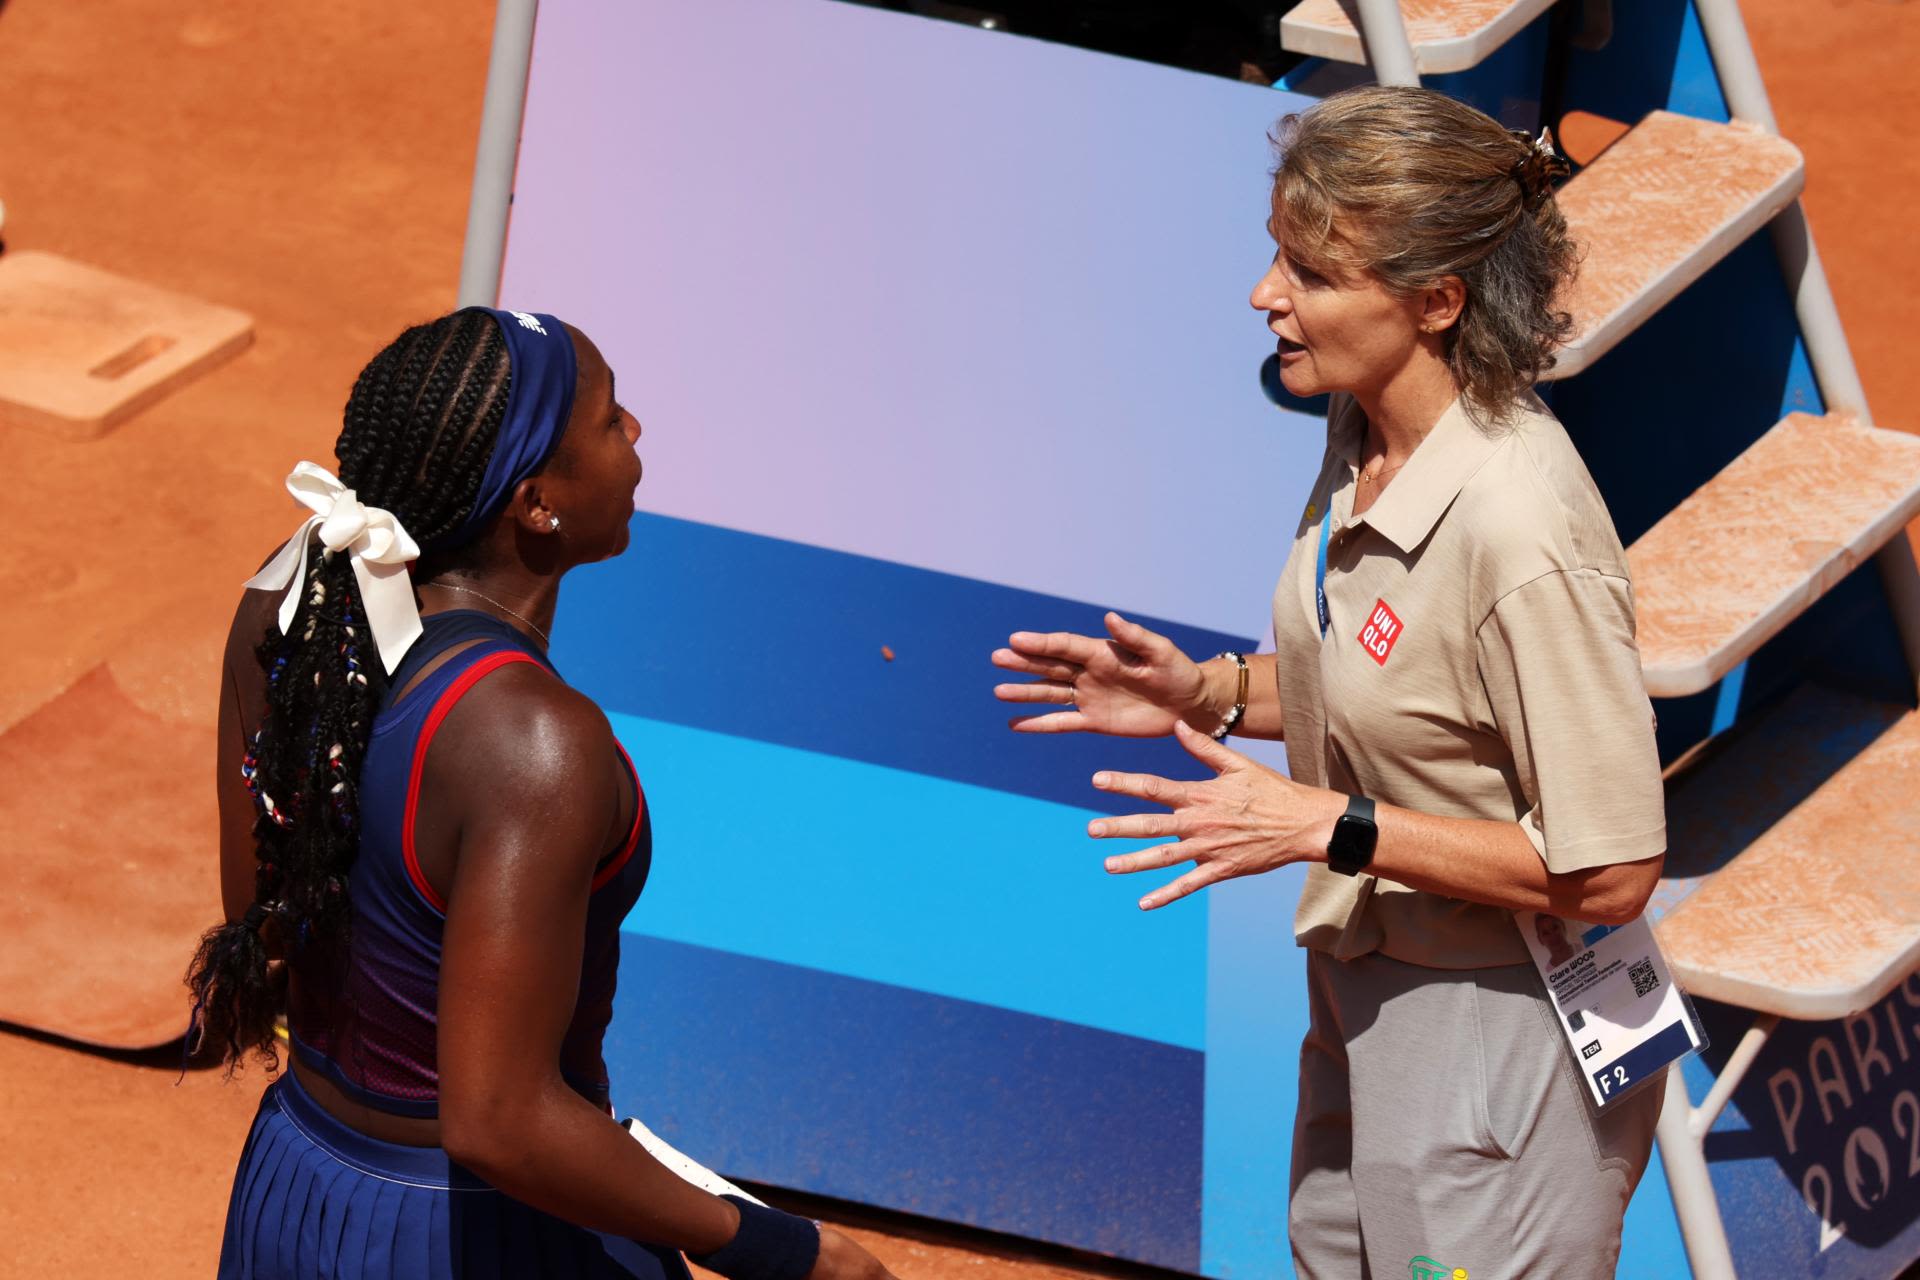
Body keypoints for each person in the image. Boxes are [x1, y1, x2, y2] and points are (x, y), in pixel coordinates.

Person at [992, 87, 1666, 1279]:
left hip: (1503, 1031)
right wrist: (1204, 693)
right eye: (1276, 256)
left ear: (1436, 301)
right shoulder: (1366, 438)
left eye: (1308, 270)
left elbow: (1610, 867)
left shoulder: (1521, 527)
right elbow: (1396, 686)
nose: (1266, 294)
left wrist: (1331, 826)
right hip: (1370, 983)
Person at [188, 307, 896, 1280]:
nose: (636, 431)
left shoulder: (291, 597)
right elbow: (501, 1117)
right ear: (537, 502)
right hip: (478, 1232)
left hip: (296, 1184)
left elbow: (260, 925)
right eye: (609, 419)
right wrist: (789, 1248)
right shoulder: (537, 744)